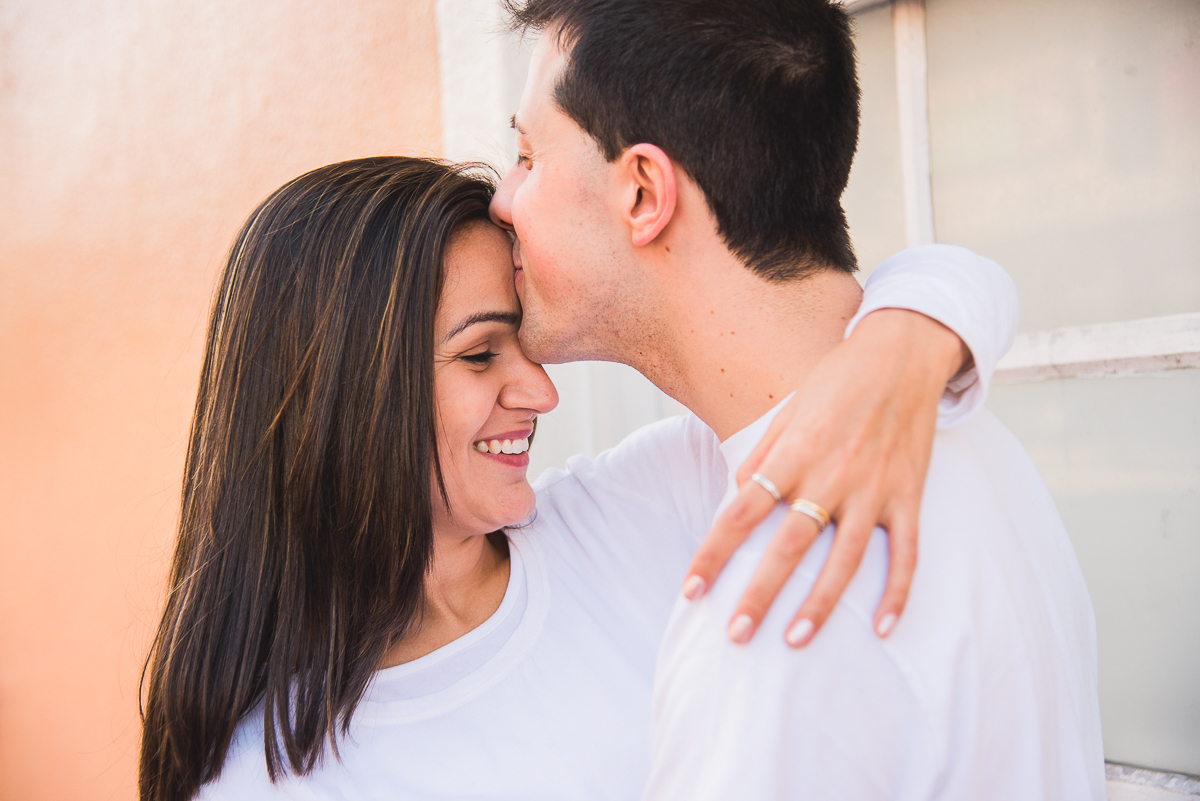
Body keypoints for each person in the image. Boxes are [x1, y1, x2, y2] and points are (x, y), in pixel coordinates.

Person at [140, 155, 1018, 800]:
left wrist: (898, 346)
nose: (540, 389)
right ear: (344, 395)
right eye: (482, 354)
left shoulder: (631, 513)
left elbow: (957, 276)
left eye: (522, 342)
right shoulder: (263, 777)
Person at [493, 0, 1106, 798]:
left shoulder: (773, 609)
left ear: (644, 191)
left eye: (529, 155)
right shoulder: (950, 421)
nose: (503, 198)